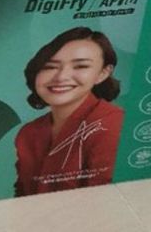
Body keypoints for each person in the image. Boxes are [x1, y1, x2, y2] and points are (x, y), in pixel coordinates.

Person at [14, 27, 124, 196]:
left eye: (80, 66)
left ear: (102, 73)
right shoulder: (28, 133)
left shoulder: (112, 125)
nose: (61, 77)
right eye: (50, 66)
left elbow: (103, 198)